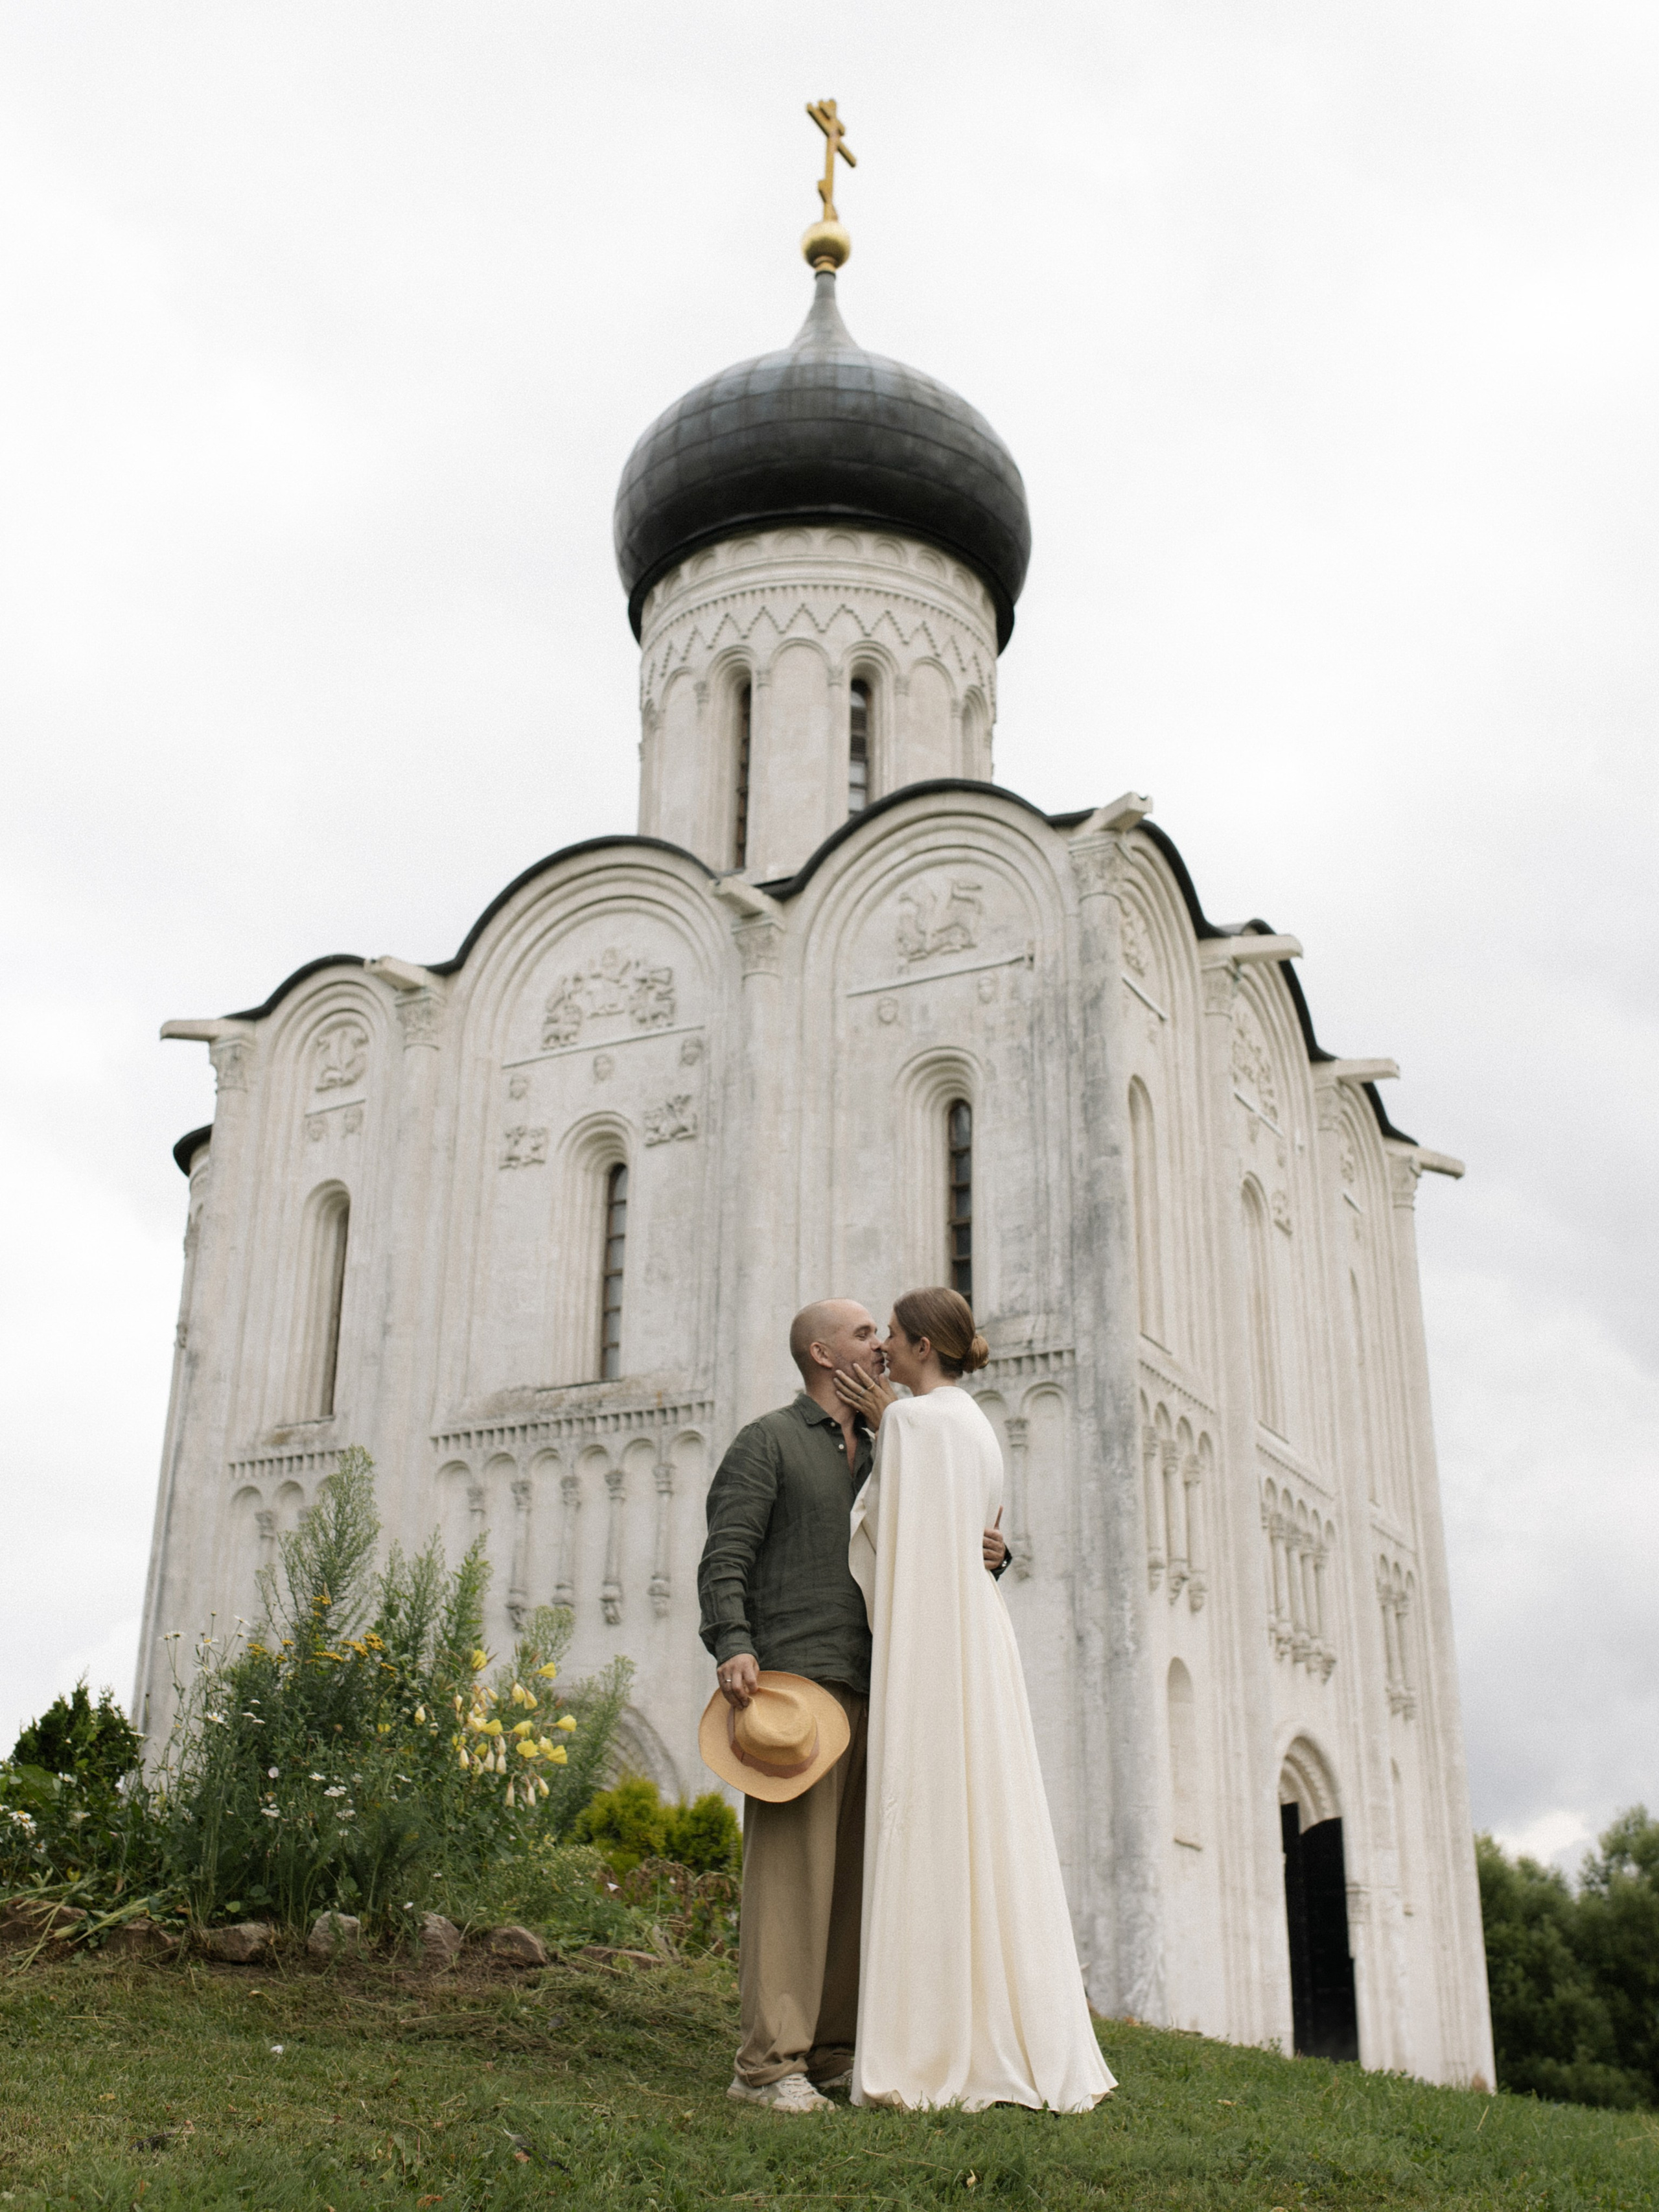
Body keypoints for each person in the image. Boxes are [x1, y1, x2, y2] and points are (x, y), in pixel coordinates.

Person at [697, 1298, 1010, 2115]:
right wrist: (733, 1640)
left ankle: (833, 2051)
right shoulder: (768, 1440)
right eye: (865, 1332)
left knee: (856, 1879)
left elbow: (939, 1535)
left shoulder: (892, 1445)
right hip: (797, 1682)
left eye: (883, 1332)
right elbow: (726, 1550)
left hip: (888, 1683)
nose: (880, 1344)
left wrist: (992, 1551)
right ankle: (767, 2065)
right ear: (821, 1351)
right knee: (790, 1880)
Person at [835, 1286, 1115, 2113]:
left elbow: (890, 1534)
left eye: (892, 1333)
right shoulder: (973, 1424)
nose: (882, 1347)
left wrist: (887, 1424)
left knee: (930, 1807)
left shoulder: (919, 1423)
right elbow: (962, 1531)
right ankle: (992, 2012)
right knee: (984, 1810)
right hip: (975, 1634)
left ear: (923, 1345)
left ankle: (931, 2038)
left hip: (937, 1642)